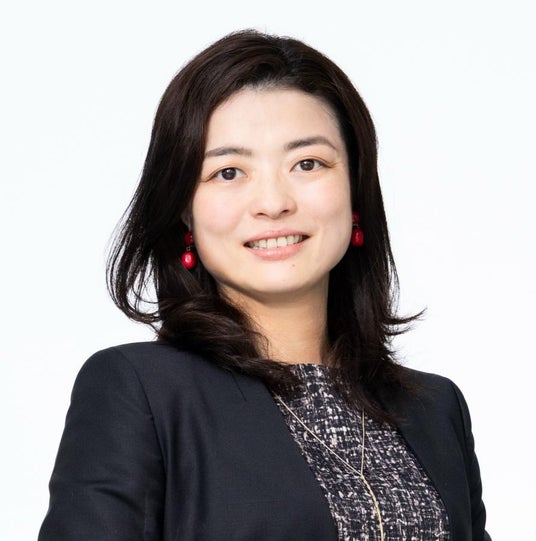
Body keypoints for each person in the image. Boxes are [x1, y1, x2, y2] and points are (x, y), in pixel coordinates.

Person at [38, 29, 490, 541]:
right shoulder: (140, 391)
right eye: (229, 172)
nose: (273, 203)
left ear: (356, 187)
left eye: (307, 164)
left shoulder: (436, 407)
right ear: (184, 209)